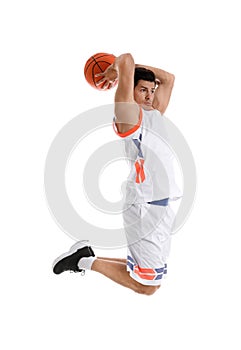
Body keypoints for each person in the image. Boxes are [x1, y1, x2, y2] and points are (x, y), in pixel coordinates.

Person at [53, 53, 182, 296]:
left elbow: (168, 78)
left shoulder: (153, 112)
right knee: (148, 286)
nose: (150, 95)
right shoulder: (129, 116)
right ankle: (83, 262)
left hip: (162, 204)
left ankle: (83, 255)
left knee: (149, 274)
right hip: (146, 206)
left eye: (151, 91)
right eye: (142, 89)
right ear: (128, 91)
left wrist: (130, 72)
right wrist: (118, 70)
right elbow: (126, 59)